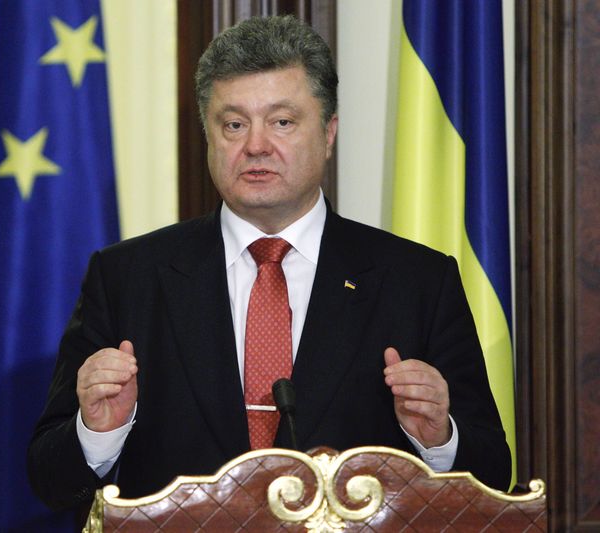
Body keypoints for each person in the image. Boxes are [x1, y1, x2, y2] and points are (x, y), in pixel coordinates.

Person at [27, 15, 511, 512]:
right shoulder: (127, 278)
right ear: (209, 136)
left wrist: (438, 439)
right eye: (234, 124)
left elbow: (493, 472)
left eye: (281, 122)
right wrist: (97, 433)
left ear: (328, 133)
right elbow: (49, 478)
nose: (255, 146)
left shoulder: (418, 282)